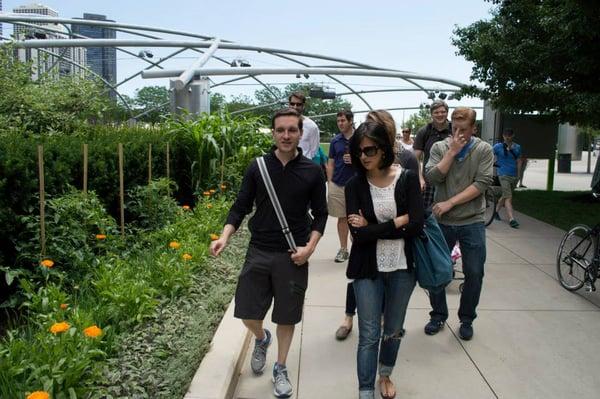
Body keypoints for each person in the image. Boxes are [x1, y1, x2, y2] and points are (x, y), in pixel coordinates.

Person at [210, 108, 328, 398]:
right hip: (259, 250)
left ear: (301, 133)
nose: (286, 135)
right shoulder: (258, 166)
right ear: (273, 133)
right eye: (280, 130)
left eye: (292, 130)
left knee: (287, 316)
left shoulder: (312, 171)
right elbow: (240, 206)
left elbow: (322, 215)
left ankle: (281, 366)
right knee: (247, 312)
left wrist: (309, 248)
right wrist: (225, 235)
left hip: (293, 253)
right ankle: (261, 338)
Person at [345, 121, 424, 399]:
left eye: (369, 150)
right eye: (358, 151)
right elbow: (359, 235)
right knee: (368, 333)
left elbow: (416, 224)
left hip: (403, 266)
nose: (363, 156)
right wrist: (396, 222)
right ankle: (365, 389)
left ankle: (386, 374)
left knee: (392, 329)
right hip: (368, 267)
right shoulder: (355, 184)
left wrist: (373, 227)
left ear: (383, 148)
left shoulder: (407, 178)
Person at [334, 110, 419, 341]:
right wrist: (383, 225)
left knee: (389, 302)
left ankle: (386, 323)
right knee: (360, 274)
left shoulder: (407, 160)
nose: (367, 132)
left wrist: (371, 227)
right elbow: (359, 214)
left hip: (399, 251)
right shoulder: (363, 157)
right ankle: (349, 316)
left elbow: (414, 216)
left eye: (373, 126)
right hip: (368, 244)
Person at [423, 107, 493, 341]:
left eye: (464, 129)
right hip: (442, 222)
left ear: (474, 128)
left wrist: (451, 202)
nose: (458, 133)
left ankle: (467, 318)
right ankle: (438, 315)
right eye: (454, 128)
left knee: (474, 272)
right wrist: (451, 153)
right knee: (437, 271)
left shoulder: (483, 149)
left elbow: (482, 183)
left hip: (471, 220)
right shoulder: (440, 147)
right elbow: (432, 177)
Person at [414, 100, 452, 209]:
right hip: (429, 179)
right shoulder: (424, 131)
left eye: (443, 112)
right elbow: (415, 157)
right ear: (431, 114)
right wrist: (420, 178)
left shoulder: (454, 129)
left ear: (447, 113)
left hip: (450, 179)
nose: (440, 114)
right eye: (436, 112)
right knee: (426, 212)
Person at [493, 129, 522, 228]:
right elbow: (489, 155)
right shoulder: (497, 147)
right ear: (503, 136)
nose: (507, 137)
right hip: (503, 174)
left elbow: (519, 161)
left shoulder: (517, 147)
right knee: (509, 197)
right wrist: (493, 163)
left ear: (513, 136)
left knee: (505, 195)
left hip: (513, 175)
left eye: (509, 135)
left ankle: (495, 211)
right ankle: (511, 219)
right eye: (506, 135)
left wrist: (518, 175)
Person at [288, 91, 321, 161]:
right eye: (292, 104)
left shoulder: (312, 126)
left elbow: (314, 151)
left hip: (304, 166)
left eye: (298, 104)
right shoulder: (283, 123)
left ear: (303, 106)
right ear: (289, 104)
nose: (295, 107)